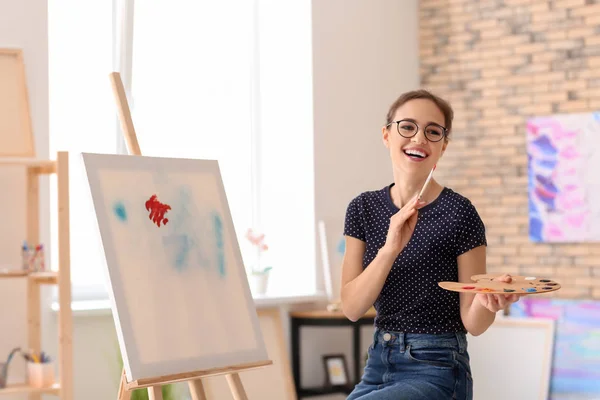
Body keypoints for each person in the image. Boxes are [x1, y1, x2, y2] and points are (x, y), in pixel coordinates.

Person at [341, 89, 520, 400]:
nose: (419, 138)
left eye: (432, 131)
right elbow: (352, 307)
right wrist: (390, 248)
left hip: (437, 367)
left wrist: (489, 301)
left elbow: (473, 322)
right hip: (378, 364)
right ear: (387, 135)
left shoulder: (460, 213)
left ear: (443, 146)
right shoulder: (363, 209)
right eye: (407, 126)